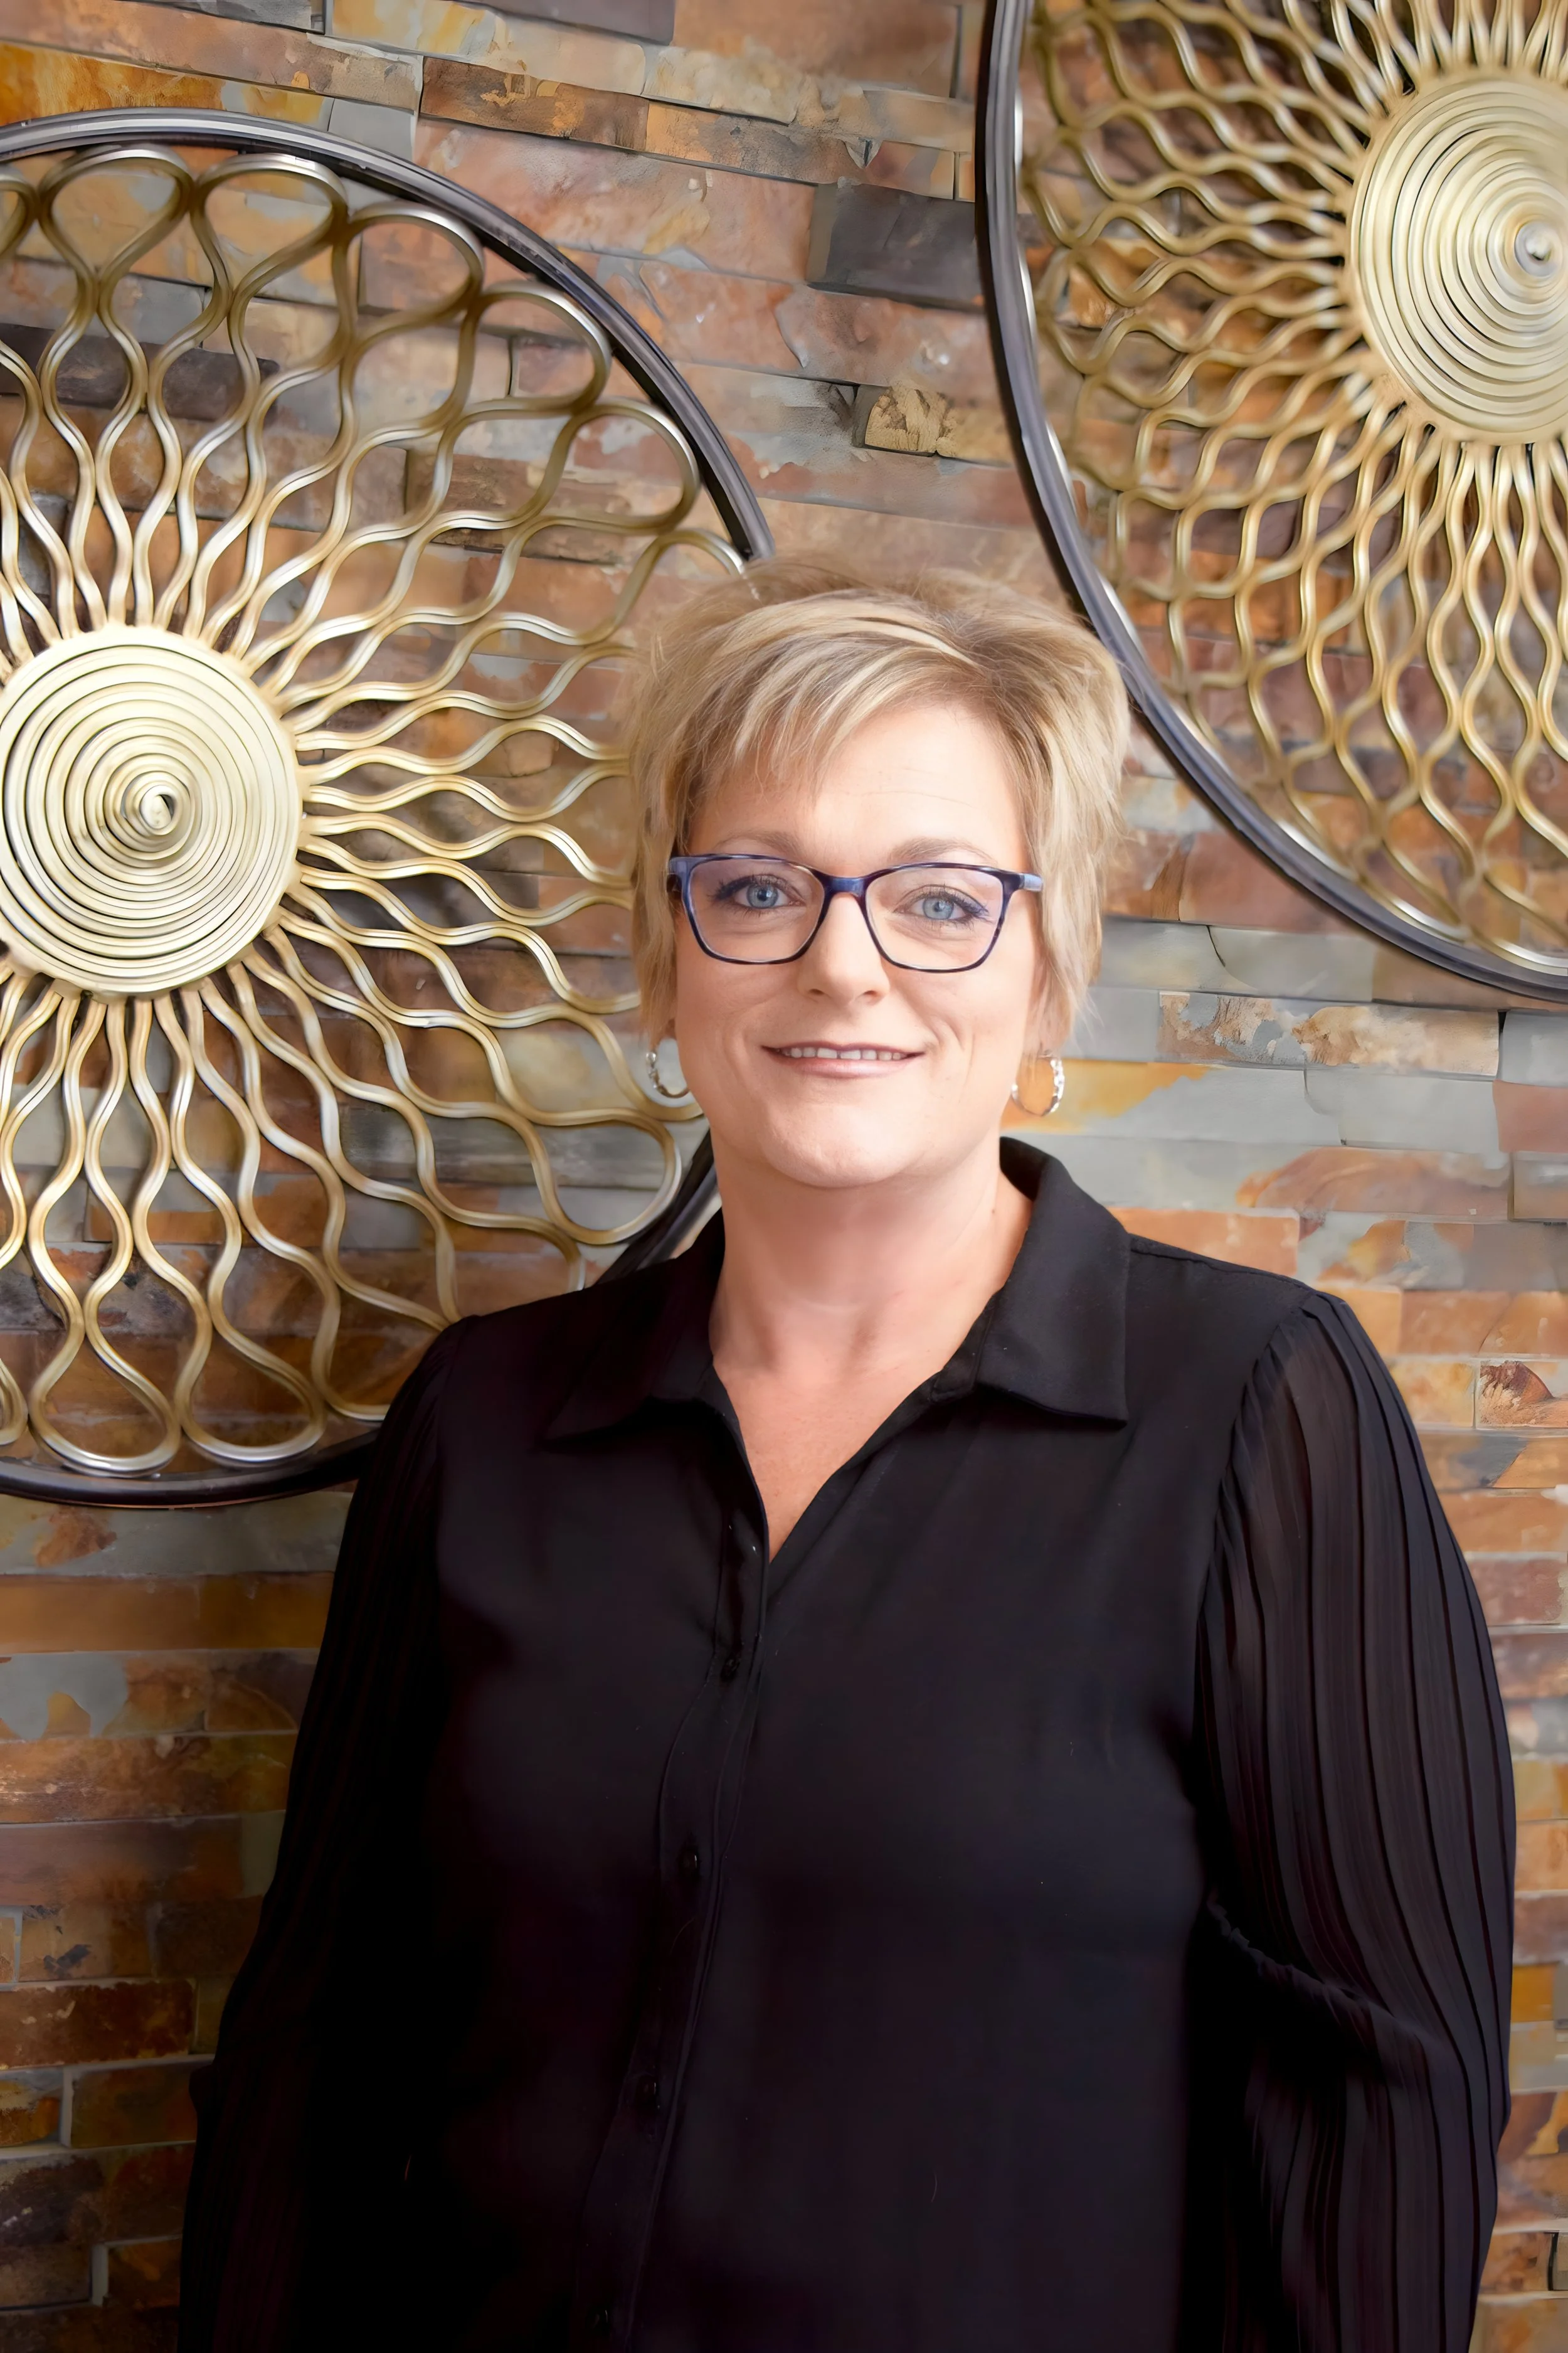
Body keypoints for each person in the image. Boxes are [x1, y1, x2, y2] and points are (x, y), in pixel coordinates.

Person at [179, 562, 1514, 2352]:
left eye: (941, 899)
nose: (842, 959)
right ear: (669, 960)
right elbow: (315, 2044)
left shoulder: (1257, 1410)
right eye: (757, 885)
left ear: (1047, 975)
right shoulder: (482, 1421)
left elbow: (1379, 2101)